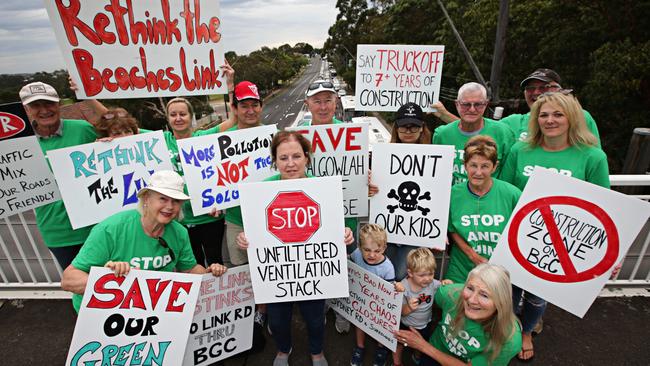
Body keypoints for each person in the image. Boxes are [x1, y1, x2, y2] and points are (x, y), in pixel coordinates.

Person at [499, 91, 609, 361]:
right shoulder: (519, 150)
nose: (550, 120)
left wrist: (609, 256)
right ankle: (507, 331)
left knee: (537, 297)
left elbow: (604, 210)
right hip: (518, 236)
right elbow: (503, 191)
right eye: (543, 115)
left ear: (571, 117)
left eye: (557, 114)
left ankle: (525, 331)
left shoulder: (592, 157)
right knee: (508, 292)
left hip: (560, 244)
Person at [236, 130, 355, 366]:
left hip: (312, 272)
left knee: (314, 319)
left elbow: (341, 231)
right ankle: (283, 349)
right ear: (274, 161)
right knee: (278, 322)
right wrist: (244, 240)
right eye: (283, 158)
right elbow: (254, 233)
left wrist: (346, 236)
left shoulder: (324, 189)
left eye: (296, 156)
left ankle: (317, 352)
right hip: (277, 274)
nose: (290, 164)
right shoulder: (261, 191)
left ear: (307, 158)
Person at [61, 170, 227, 312]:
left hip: (151, 310)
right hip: (103, 311)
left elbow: (189, 269)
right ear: (146, 199)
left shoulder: (179, 232)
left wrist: (210, 274)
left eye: (176, 201)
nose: (170, 207)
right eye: (163, 199)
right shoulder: (110, 229)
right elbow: (69, 280)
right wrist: (111, 279)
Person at [19, 81, 98, 269]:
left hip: (96, 228)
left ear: (59, 104)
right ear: (26, 109)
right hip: (58, 233)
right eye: (36, 105)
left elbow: (125, 133)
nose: (44, 110)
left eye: (49, 103)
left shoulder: (83, 129)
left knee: (113, 282)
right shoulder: (19, 145)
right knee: (80, 287)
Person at [394, 264, 522, 366]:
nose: (471, 300)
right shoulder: (450, 294)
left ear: (501, 302)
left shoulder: (509, 339)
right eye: (470, 288)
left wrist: (422, 346)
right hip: (433, 353)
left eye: (484, 295)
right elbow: (425, 297)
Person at [445, 136, 521, 283]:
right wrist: (472, 255)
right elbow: (452, 229)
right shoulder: (452, 194)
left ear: (494, 167)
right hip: (461, 270)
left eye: (485, 166)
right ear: (465, 165)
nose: (478, 172)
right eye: (473, 165)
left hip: (501, 271)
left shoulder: (512, 194)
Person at [384, 102, 432, 281]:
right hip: (388, 229)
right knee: (384, 275)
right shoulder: (383, 156)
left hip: (416, 232)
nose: (409, 131)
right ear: (396, 128)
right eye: (404, 127)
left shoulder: (435, 160)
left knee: (401, 275)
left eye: (414, 127)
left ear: (422, 129)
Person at [432, 82, 515, 185]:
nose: (472, 109)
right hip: (453, 197)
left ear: (486, 104)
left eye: (478, 104)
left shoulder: (503, 133)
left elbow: (509, 174)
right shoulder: (441, 135)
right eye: (466, 104)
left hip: (489, 197)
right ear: (457, 104)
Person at [223, 80, 266, 267]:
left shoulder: (275, 137)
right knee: (241, 277)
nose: (250, 111)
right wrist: (214, 202)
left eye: (255, 105)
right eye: (244, 106)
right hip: (236, 221)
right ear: (234, 108)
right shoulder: (221, 141)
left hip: (269, 220)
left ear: (261, 107)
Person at [500, 68, 601, 143]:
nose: (536, 92)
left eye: (544, 87)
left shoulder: (579, 116)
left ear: (559, 89)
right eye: (530, 88)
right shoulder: (512, 122)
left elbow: (594, 158)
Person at [349, 224, 398, 366]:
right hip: (360, 299)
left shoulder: (388, 268)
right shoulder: (357, 254)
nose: (371, 255)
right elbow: (350, 266)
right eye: (367, 250)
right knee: (359, 322)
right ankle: (360, 347)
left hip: (379, 305)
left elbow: (389, 294)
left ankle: (381, 349)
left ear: (384, 248)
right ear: (359, 246)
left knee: (381, 327)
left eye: (377, 251)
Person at [393, 248, 451, 366]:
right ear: (410, 273)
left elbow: (442, 287)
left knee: (421, 344)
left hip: (424, 324)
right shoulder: (404, 287)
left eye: (431, 273)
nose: (428, 278)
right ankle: (397, 363)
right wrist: (409, 307)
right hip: (406, 323)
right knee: (398, 344)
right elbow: (400, 312)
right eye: (422, 275)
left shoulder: (432, 283)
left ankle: (417, 356)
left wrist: (447, 283)